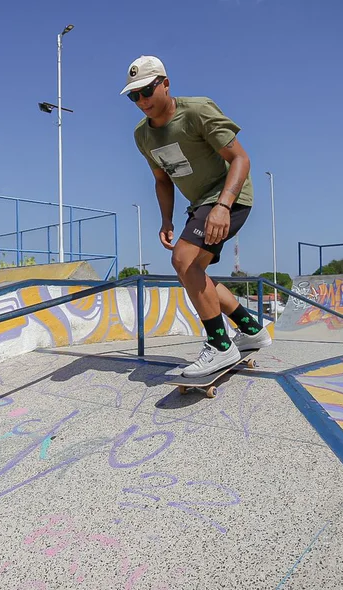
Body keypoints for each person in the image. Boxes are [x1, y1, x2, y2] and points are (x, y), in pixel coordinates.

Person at [121, 55, 272, 377]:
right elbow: (162, 179)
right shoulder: (142, 135)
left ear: (165, 83)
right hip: (200, 205)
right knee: (194, 271)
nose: (141, 101)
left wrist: (223, 206)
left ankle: (220, 346)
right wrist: (166, 220)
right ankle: (250, 330)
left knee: (184, 261)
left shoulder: (197, 110)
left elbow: (241, 159)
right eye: (134, 96)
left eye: (146, 91)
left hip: (230, 197)